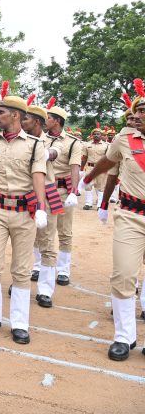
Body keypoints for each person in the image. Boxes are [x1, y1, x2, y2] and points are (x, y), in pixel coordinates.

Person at [0, 92, 48, 345]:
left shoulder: (36, 145)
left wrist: (40, 206)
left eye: (1, 112)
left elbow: (38, 176)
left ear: (16, 115)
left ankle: (19, 323)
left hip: (24, 213)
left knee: (21, 270)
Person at [80, 78, 145, 361]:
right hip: (131, 215)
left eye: (143, 111)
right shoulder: (124, 138)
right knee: (123, 274)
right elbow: (109, 161)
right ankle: (123, 336)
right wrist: (88, 178)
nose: (138, 115)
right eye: (137, 111)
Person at [23, 99, 62, 308]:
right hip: (24, 194)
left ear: (37, 122)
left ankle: (45, 290)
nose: (22, 121)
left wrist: (42, 152)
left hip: (46, 195)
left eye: (26, 118)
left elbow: (54, 154)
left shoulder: (52, 142)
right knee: (23, 242)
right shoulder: (17, 140)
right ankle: (20, 281)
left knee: (47, 244)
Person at [45, 101, 83, 286]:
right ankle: (40, 265)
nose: (45, 120)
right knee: (43, 229)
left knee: (64, 230)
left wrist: (73, 192)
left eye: (48, 117)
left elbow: (75, 167)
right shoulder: (41, 139)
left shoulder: (73, 142)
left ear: (57, 121)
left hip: (61, 190)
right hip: (45, 189)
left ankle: (63, 270)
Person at [81, 127, 107, 210]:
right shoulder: (87, 145)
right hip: (89, 167)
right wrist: (81, 168)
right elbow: (84, 157)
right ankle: (88, 203)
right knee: (88, 185)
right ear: (92, 135)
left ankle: (99, 205)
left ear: (101, 135)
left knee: (101, 186)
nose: (96, 135)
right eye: (94, 134)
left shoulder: (106, 146)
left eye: (98, 134)